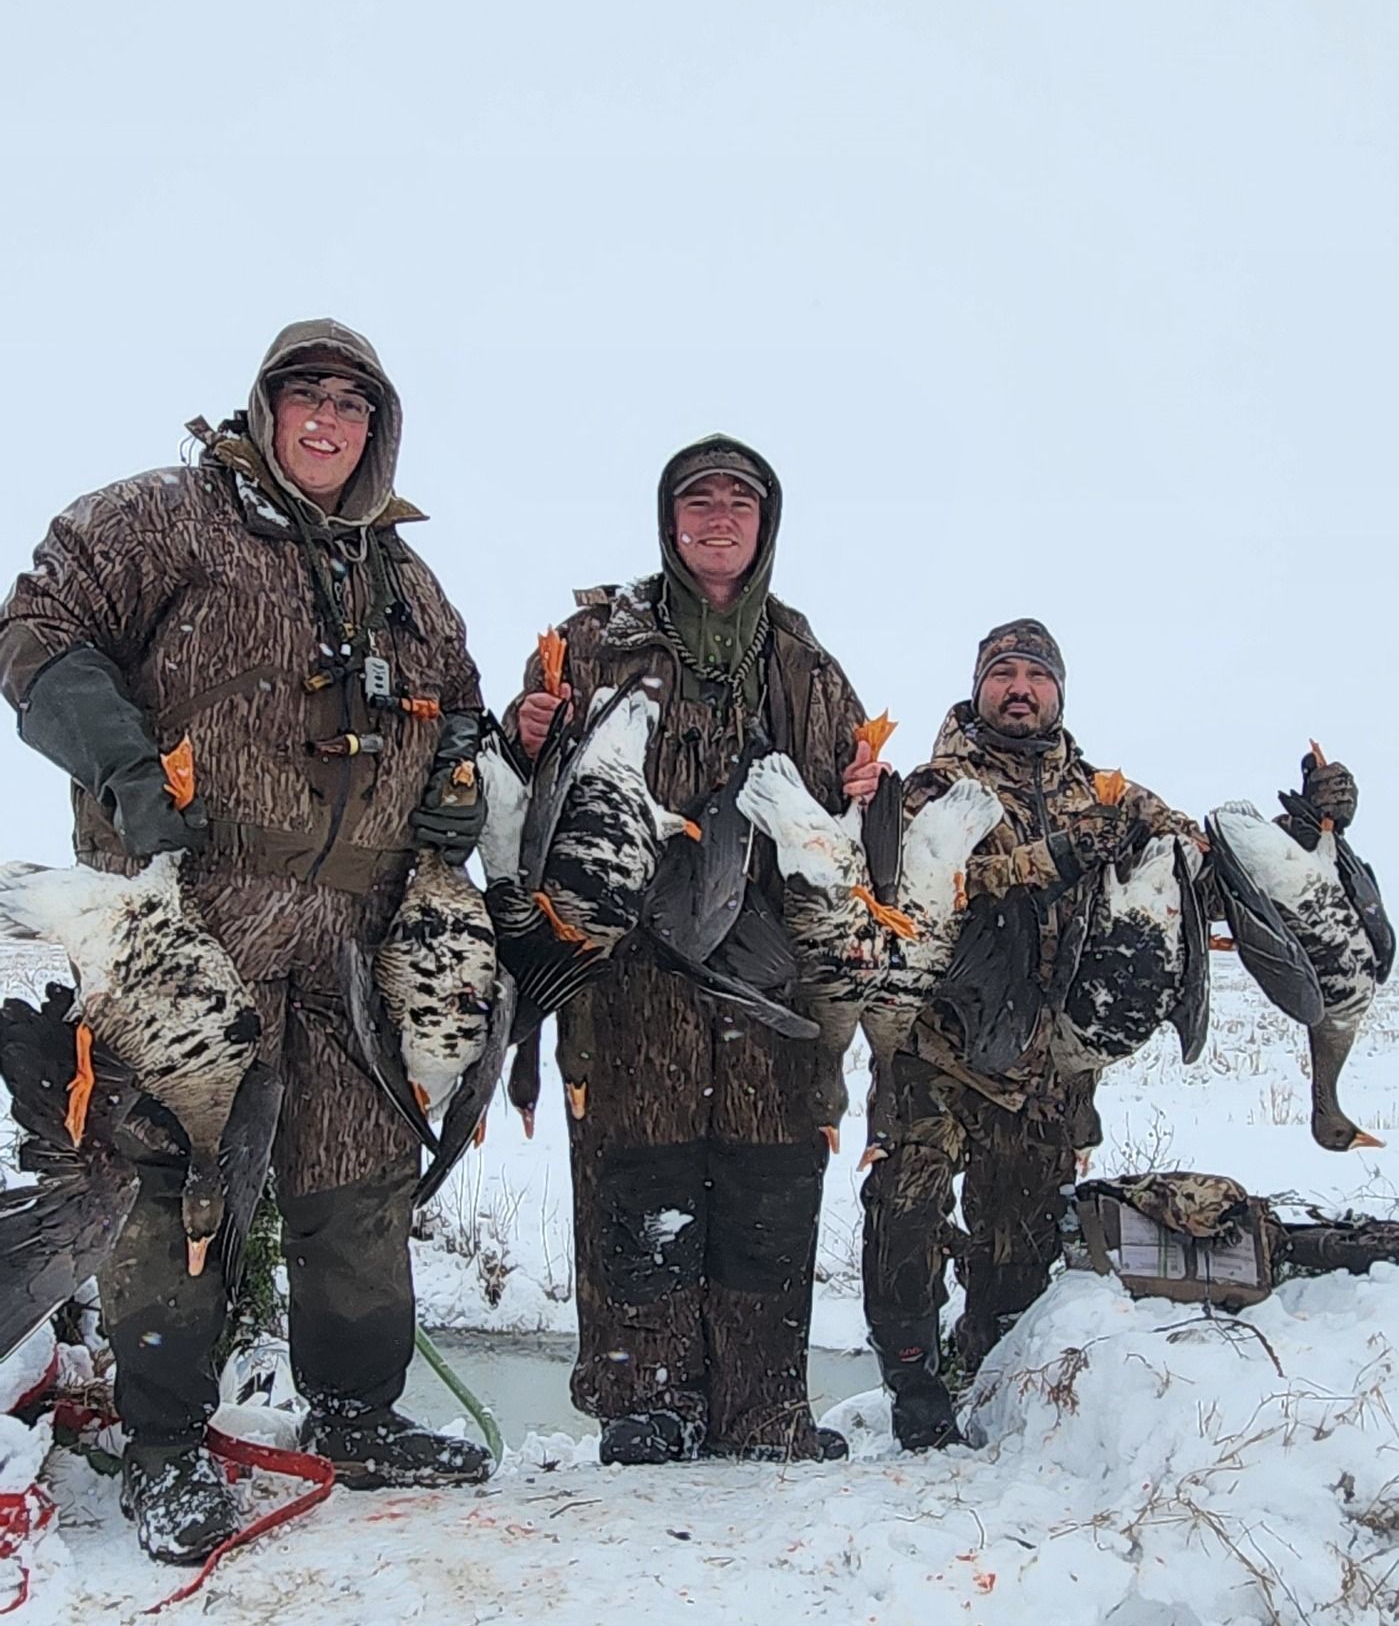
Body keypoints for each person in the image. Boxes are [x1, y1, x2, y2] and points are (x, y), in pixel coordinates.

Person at [0, 319, 493, 1560]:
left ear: (378, 431)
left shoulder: (408, 585)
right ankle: (165, 1449)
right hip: (191, 916)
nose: (327, 421)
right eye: (305, 397)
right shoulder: (168, 519)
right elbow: (36, 624)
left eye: (353, 404)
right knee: (178, 1179)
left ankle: (356, 1412)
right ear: (266, 408)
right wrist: (121, 760)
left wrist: (458, 784)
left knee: (356, 1182)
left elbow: (465, 711)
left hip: (351, 935)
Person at [510, 435, 877, 1466]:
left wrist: (862, 794)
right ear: (669, 521)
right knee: (640, 1166)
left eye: (740, 505)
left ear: (764, 526)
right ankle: (650, 1394)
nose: (720, 519)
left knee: (768, 1171)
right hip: (632, 965)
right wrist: (523, 728)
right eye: (699, 502)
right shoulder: (594, 641)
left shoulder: (802, 662)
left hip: (765, 971)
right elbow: (523, 774)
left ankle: (764, 1403)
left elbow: (846, 812)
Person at [861, 618, 1204, 1448]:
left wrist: (1303, 836)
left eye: (1035, 676)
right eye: (1003, 673)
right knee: (903, 1217)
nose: (1019, 688)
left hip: (1049, 1058)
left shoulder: (1106, 790)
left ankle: (993, 1378)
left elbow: (1192, 859)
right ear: (978, 687)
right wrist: (1050, 859)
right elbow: (932, 883)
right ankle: (911, 1379)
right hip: (939, 1044)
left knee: (1017, 1244)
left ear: (1057, 692)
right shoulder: (928, 788)